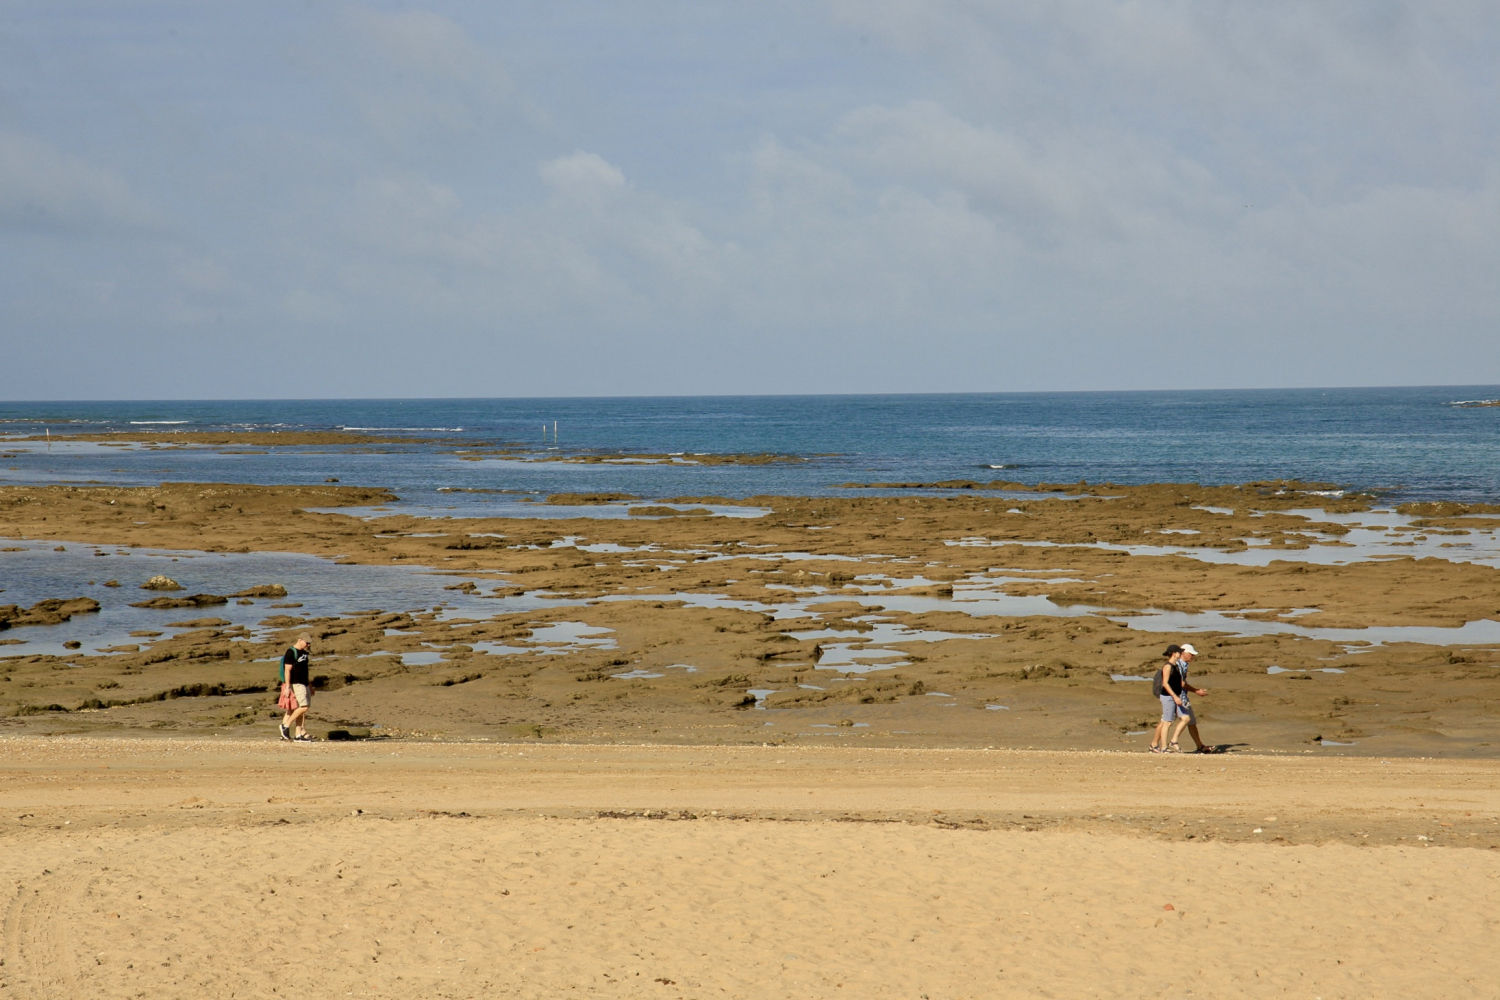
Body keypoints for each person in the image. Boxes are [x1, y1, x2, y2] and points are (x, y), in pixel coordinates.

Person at [1167, 643, 1212, 753]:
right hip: (1179, 696)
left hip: (1183, 696)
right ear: (1184, 653)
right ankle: (1172, 741)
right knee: (1181, 719)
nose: (1193, 656)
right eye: (1191, 654)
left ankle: (1200, 745)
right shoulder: (1179, 665)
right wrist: (1196, 691)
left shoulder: (1184, 664)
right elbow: (1181, 683)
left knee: (1191, 722)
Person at [279, 634, 314, 742]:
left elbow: (305, 670)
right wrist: (287, 686)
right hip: (296, 683)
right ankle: (286, 725)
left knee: (302, 709)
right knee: (304, 707)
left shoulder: (304, 653)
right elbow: (287, 670)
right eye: (306, 642)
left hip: (304, 683)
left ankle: (298, 735)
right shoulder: (291, 652)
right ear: (300, 640)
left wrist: (310, 685)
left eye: (309, 643)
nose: (308, 645)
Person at [1149, 644, 1182, 753]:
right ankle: (1163, 747)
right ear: (1174, 653)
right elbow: (1165, 684)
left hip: (1171, 696)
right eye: (1179, 652)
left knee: (1166, 721)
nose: (1180, 654)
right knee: (1167, 722)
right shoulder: (1168, 666)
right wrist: (1175, 696)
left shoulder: (1175, 665)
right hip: (1168, 697)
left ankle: (1158, 746)